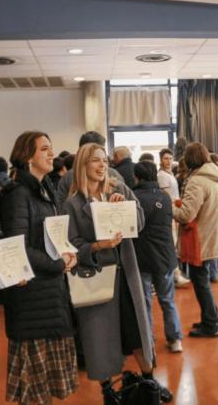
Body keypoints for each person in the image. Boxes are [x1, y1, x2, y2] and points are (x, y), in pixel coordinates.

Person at [63, 143, 172, 403]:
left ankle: (149, 382)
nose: (102, 166)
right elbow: (72, 244)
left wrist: (126, 208)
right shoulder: (73, 203)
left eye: (104, 160)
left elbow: (140, 221)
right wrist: (98, 246)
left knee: (137, 331)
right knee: (101, 336)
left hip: (127, 274)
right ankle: (108, 390)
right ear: (83, 165)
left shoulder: (119, 188)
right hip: (97, 276)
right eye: (95, 161)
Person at [0, 131, 79, 405]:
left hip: (49, 292)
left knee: (44, 386)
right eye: (44, 149)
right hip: (32, 296)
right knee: (33, 387)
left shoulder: (45, 188)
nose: (51, 153)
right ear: (26, 156)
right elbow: (17, 246)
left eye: (51, 148)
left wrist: (68, 253)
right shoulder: (18, 193)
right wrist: (58, 263)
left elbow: (52, 237)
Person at [172, 142, 218, 338]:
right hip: (212, 234)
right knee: (203, 281)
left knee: (201, 282)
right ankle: (210, 319)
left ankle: (211, 324)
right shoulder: (215, 177)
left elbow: (187, 214)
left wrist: (170, 207)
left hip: (200, 239)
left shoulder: (197, 181)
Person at [132, 161, 183, 353]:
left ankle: (148, 341)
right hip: (164, 256)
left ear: (137, 177)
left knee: (144, 302)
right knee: (167, 300)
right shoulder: (165, 196)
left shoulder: (134, 198)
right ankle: (175, 339)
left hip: (142, 257)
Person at [56, 131, 123, 206]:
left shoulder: (115, 179)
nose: (102, 165)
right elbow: (63, 208)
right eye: (95, 159)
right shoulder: (69, 178)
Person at [157, 148, 190, 288]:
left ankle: (177, 274)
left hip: (175, 210)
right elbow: (165, 195)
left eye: (170, 158)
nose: (168, 161)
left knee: (175, 242)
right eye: (165, 158)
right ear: (160, 160)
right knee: (172, 242)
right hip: (169, 211)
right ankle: (176, 275)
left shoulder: (170, 174)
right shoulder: (162, 175)